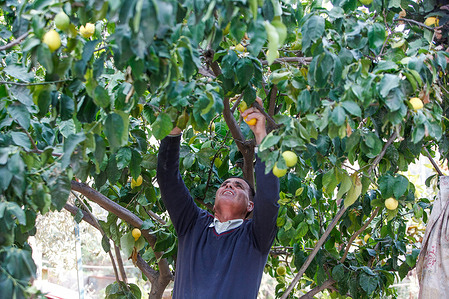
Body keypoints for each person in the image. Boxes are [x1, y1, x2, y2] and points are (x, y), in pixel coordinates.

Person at [156, 97, 280, 298]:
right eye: (224, 184)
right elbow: (167, 178)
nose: (229, 185)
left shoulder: (255, 238)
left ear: (250, 206)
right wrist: (173, 132)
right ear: (214, 203)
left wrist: (261, 135)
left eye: (238, 186)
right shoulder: (192, 224)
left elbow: (269, 198)